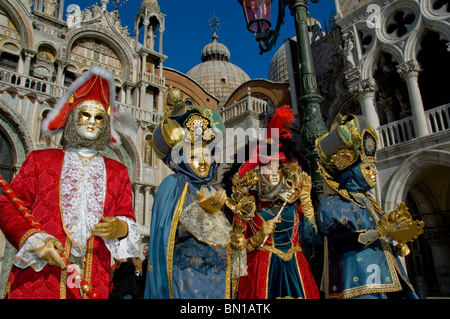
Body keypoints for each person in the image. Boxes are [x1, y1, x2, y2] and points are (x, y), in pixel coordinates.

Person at [0, 66, 141, 299]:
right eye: (85, 115)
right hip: (40, 277)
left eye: (99, 117)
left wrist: (122, 228)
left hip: (93, 279)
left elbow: (125, 214)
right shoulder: (40, 161)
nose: (92, 122)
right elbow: (9, 206)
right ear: (73, 117)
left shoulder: (118, 172)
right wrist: (35, 241)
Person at [315, 114, 424, 299]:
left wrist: (397, 241)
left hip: (388, 275)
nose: (373, 174)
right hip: (361, 280)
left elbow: (380, 233)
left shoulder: (369, 201)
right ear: (349, 169)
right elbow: (341, 240)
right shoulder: (334, 203)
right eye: (367, 168)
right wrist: (380, 231)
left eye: (374, 168)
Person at [144, 88, 234, 299]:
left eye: (206, 154)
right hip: (185, 283)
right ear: (179, 159)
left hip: (217, 283)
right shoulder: (172, 185)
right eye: (194, 155)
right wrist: (202, 213)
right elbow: (168, 233)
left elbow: (222, 240)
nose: (203, 161)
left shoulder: (210, 189)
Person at [223, 105, 320, 299]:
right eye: (266, 167)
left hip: (295, 266)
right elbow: (238, 249)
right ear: (255, 175)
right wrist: (259, 237)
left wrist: (306, 198)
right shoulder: (248, 209)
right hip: (261, 271)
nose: (272, 173)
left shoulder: (293, 206)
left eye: (277, 167)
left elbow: (310, 236)